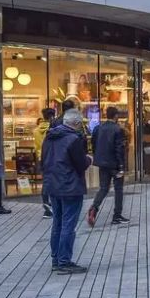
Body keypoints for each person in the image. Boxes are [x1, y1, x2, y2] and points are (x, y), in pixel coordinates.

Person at [40, 109, 91, 274]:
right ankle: (64, 261)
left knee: (58, 223)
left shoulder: (49, 137)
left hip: (53, 184)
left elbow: (43, 161)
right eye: (80, 124)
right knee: (68, 224)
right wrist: (89, 159)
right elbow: (81, 164)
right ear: (76, 123)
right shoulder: (73, 139)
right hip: (70, 186)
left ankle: (56, 259)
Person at [86, 107, 129, 227]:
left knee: (104, 188)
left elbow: (94, 144)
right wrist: (121, 166)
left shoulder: (98, 128)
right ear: (116, 116)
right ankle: (117, 215)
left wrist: (98, 156)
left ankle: (94, 207)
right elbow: (119, 149)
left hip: (103, 163)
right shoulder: (118, 129)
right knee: (118, 189)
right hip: (114, 164)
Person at [34, 107, 56, 218]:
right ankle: (51, 206)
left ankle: (46, 203)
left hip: (41, 158)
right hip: (51, 157)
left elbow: (36, 146)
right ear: (52, 116)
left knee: (45, 182)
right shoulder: (53, 130)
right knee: (54, 181)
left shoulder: (36, 131)